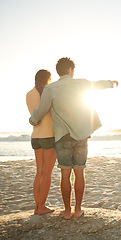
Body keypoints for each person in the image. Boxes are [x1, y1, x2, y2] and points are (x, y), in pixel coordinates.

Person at [29, 57, 118, 219]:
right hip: (81, 136)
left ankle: (67, 211)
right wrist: (111, 83)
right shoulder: (81, 83)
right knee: (79, 173)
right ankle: (78, 209)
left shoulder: (51, 89)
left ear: (58, 72)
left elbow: (40, 111)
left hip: (62, 137)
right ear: (70, 70)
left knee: (65, 174)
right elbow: (97, 84)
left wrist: (32, 120)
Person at [26, 69, 56, 215]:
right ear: (48, 79)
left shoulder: (29, 94)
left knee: (39, 172)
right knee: (47, 173)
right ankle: (42, 206)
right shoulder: (47, 92)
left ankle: (37, 206)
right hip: (49, 135)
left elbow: (34, 114)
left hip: (35, 136)